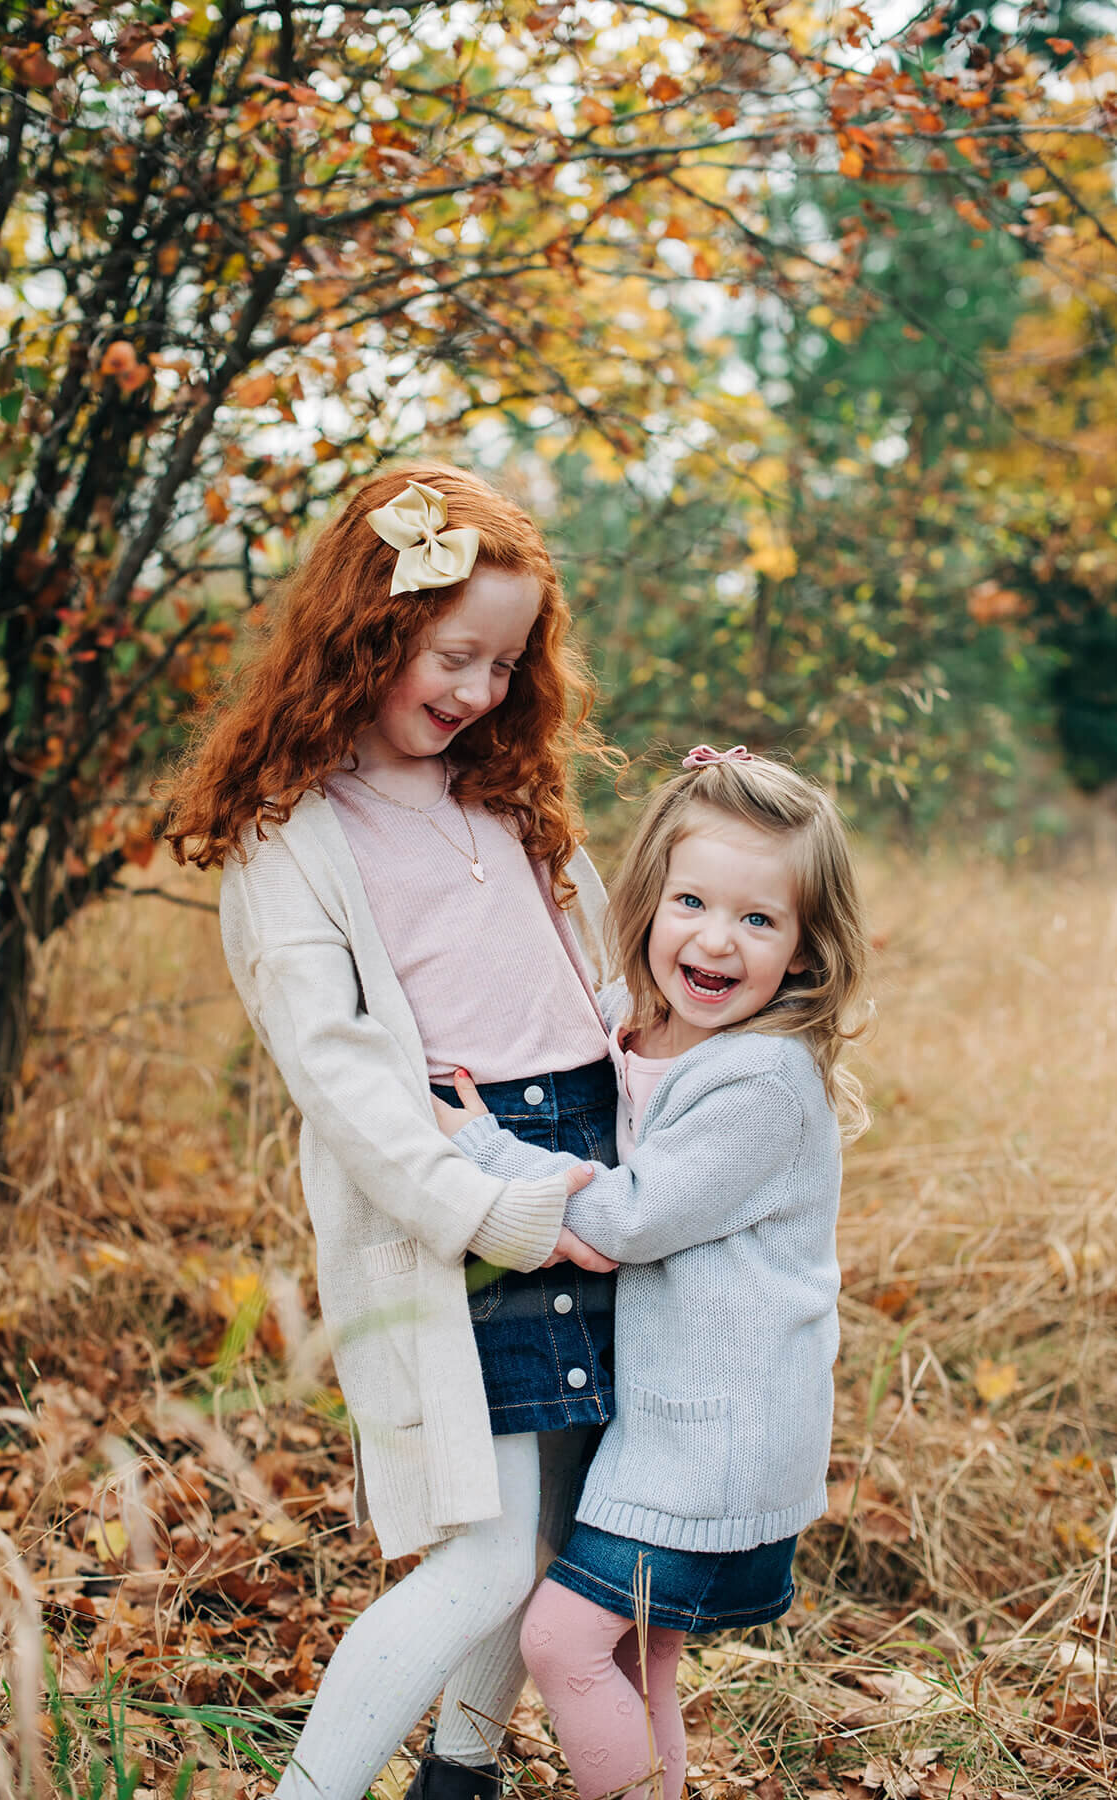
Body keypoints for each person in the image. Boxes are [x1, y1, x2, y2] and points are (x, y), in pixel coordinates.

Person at [164, 465, 626, 1799]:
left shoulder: (506, 788)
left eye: (506, 663)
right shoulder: (292, 830)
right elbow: (342, 1070)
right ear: (370, 630)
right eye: (452, 655)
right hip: (454, 1195)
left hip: (585, 1157)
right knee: (478, 1548)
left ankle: (463, 1770)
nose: (479, 690)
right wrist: (486, 1205)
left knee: (549, 1530)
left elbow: (585, 975)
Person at [434, 744, 870, 1800]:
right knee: (634, 1659)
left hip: (713, 1445)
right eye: (691, 902)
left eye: (758, 921)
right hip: (680, 1429)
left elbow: (626, 1218)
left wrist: (481, 1147)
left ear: (805, 953)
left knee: (562, 1643)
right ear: (649, 902)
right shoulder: (675, 1038)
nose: (715, 938)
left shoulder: (761, 1082)